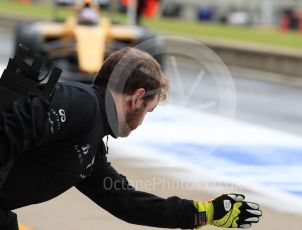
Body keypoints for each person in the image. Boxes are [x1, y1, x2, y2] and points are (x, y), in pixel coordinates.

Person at [0, 47, 262, 229]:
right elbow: (9, 127)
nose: (143, 120)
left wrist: (205, 212)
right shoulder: (82, 105)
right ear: (136, 97)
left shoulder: (90, 146)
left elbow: (125, 202)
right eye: (149, 110)